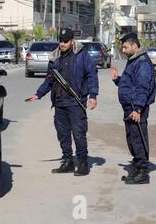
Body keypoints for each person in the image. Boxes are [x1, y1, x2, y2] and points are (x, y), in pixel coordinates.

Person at [26, 28, 99, 176]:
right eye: (60, 40)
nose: (62, 44)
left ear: (72, 41)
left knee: (79, 134)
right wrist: (38, 94)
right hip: (60, 103)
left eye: (65, 41)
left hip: (75, 102)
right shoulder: (55, 58)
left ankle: (83, 163)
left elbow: (92, 75)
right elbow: (49, 80)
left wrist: (93, 95)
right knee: (63, 134)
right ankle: (68, 162)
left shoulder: (83, 56)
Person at [111, 32, 155, 184]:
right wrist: (118, 80)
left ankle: (143, 173)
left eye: (125, 47)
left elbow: (143, 87)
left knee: (138, 138)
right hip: (130, 107)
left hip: (136, 109)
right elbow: (131, 84)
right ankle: (137, 167)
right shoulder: (134, 60)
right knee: (132, 138)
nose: (122, 50)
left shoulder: (142, 63)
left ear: (135, 46)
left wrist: (137, 109)